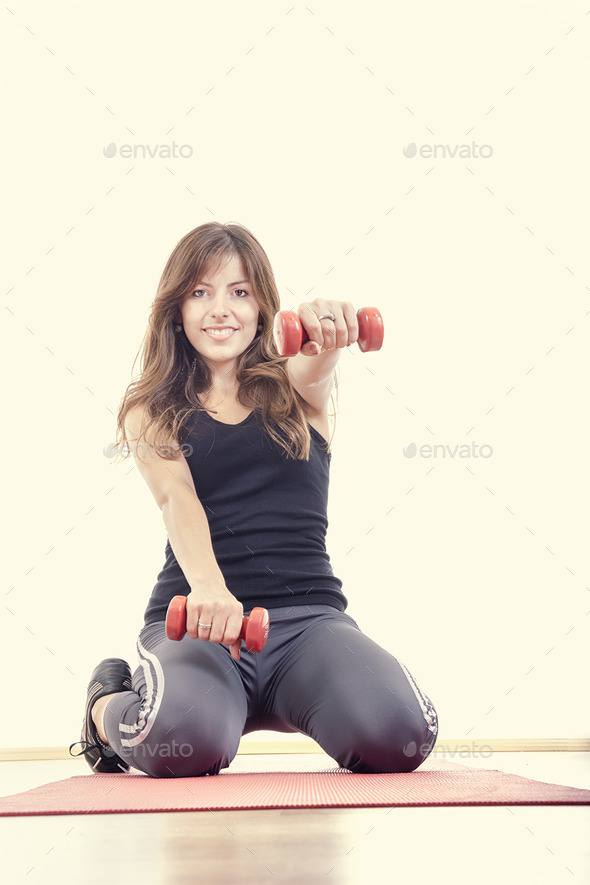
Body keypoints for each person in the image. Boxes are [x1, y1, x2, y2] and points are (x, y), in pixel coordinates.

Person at [69, 221, 438, 777]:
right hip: (201, 622)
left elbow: (315, 363)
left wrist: (327, 330)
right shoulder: (150, 407)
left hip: (308, 623)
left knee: (399, 739)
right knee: (184, 743)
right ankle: (104, 708)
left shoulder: (297, 389)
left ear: (265, 307)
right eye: (201, 292)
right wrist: (212, 592)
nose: (221, 310)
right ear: (176, 310)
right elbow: (177, 498)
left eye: (240, 292)